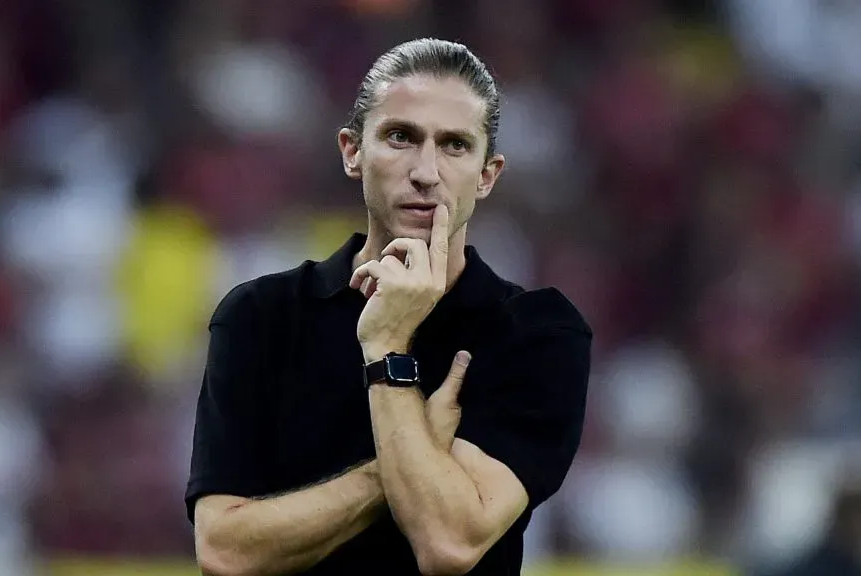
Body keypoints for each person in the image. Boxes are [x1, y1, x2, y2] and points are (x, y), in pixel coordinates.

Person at [185, 38, 592, 575]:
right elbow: (224, 551)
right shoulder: (259, 316)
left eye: (454, 145)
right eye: (401, 137)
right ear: (352, 151)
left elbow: (449, 544)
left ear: (487, 175)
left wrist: (387, 349)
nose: (425, 172)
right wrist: (399, 465)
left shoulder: (537, 333)